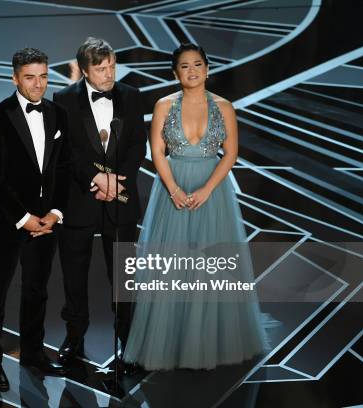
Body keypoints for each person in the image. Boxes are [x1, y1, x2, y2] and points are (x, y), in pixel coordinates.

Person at [123, 43, 267, 370]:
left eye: (198, 64)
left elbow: (230, 152)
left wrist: (207, 189)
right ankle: (170, 341)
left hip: (212, 192)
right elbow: (157, 151)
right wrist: (173, 188)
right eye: (185, 66)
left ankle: (210, 344)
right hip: (172, 191)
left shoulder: (224, 106)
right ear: (175, 73)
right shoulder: (163, 105)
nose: (192, 71)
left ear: (207, 69)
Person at [0, 47, 68, 391]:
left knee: (36, 290)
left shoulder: (59, 115)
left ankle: (33, 354)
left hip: (47, 221)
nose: (38, 84)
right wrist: (24, 218)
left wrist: (55, 213)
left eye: (43, 76)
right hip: (7, 221)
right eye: (30, 77)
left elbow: (63, 168)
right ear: (15, 78)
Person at [53, 37, 147, 368]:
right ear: (83, 69)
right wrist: (97, 178)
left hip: (121, 199)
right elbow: (65, 152)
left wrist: (116, 180)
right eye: (100, 68)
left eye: (112, 66)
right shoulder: (62, 99)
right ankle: (75, 335)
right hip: (79, 199)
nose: (108, 74)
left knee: (124, 274)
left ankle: (127, 338)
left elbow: (138, 145)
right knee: (74, 274)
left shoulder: (132, 97)